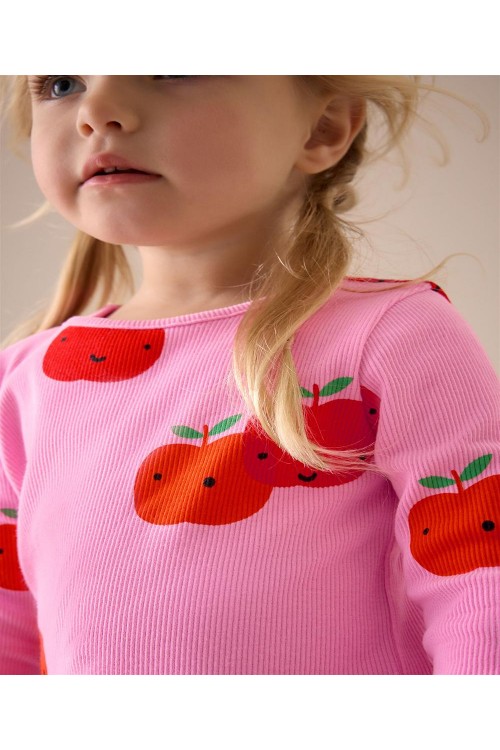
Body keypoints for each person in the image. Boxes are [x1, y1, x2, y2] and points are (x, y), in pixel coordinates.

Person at [0, 75, 498, 675]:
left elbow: (480, 579)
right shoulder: (24, 384)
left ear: (322, 128)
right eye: (60, 84)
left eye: (171, 69)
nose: (97, 111)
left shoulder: (391, 335)